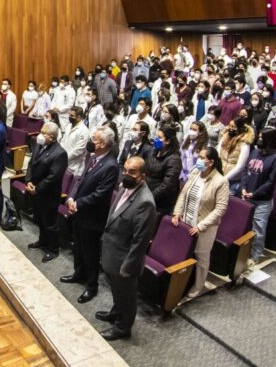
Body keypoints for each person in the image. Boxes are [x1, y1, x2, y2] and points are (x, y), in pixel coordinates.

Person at [96, 156, 157, 341]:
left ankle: (123, 328)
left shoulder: (145, 202)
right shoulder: (126, 187)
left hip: (125, 260)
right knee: (117, 291)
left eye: (132, 172)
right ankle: (116, 312)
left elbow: (140, 241)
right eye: (125, 170)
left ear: (143, 176)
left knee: (127, 296)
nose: (126, 174)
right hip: (112, 251)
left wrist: (128, 267)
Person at [60, 126, 119, 304]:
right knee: (77, 246)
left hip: (93, 217)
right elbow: (80, 181)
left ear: (103, 144)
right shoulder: (93, 158)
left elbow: (101, 194)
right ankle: (79, 274)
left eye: (93, 139)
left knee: (90, 253)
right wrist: (71, 197)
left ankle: (91, 286)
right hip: (79, 212)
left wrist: (78, 203)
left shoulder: (111, 166)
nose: (90, 141)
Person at [172, 147, 229, 298]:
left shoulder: (220, 181)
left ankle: (198, 286)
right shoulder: (195, 173)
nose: (198, 158)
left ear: (210, 162)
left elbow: (220, 209)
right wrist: (177, 212)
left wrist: (201, 226)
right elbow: (183, 194)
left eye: (202, 157)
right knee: (184, 252)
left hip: (205, 227)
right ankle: (182, 282)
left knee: (201, 257)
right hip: (187, 221)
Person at [25, 122, 68, 262]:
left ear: (52, 137)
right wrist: (28, 181)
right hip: (35, 191)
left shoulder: (60, 153)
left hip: (48, 194)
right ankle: (42, 241)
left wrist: (37, 189)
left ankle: (53, 249)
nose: (40, 135)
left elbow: (53, 177)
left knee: (50, 223)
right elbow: (31, 163)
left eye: (43, 133)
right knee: (39, 219)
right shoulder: (39, 145)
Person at [240, 126, 276, 267]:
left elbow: (271, 182)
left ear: (269, 140)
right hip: (247, 196)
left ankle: (255, 255)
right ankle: (243, 252)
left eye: (261, 138)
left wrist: (255, 193)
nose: (258, 139)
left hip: (262, 201)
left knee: (258, 230)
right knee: (244, 227)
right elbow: (246, 170)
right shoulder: (255, 152)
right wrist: (244, 187)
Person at [145, 125, 182, 217]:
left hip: (160, 203)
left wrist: (150, 196)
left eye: (159, 137)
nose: (156, 139)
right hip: (146, 194)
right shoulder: (153, 152)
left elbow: (167, 185)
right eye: (156, 136)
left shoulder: (174, 159)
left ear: (168, 141)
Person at [218, 116, 253, 194]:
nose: (230, 128)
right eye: (230, 125)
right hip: (220, 175)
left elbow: (240, 167)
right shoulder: (225, 137)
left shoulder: (244, 144)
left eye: (233, 127)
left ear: (240, 128)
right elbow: (218, 154)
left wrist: (224, 179)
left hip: (233, 180)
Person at [62, 106, 90, 176]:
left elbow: (78, 151)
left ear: (79, 117)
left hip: (74, 166)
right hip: (63, 161)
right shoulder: (69, 126)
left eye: (72, 115)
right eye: (69, 115)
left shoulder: (84, 131)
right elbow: (63, 141)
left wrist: (64, 158)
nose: (70, 117)